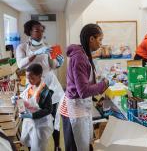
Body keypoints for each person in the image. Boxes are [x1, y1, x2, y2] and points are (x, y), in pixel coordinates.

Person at [60, 23, 111, 151]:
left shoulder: (83, 53)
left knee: (84, 143)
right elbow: (83, 91)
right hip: (74, 109)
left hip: (79, 106)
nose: (101, 44)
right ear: (91, 39)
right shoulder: (79, 58)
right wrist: (104, 84)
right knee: (76, 146)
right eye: (100, 40)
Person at [16, 20, 64, 151]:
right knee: (33, 119)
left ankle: (57, 146)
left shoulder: (48, 46)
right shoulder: (22, 47)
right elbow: (20, 64)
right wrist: (35, 53)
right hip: (33, 87)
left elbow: (53, 66)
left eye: (42, 30)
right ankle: (33, 146)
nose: (40, 33)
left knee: (54, 119)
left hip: (51, 86)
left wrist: (59, 62)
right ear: (29, 31)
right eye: (37, 30)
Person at [15, 63, 54, 151]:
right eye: (27, 77)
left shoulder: (45, 91)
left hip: (40, 125)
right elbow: (25, 101)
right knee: (29, 143)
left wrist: (32, 115)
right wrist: (17, 100)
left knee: (38, 147)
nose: (29, 80)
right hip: (29, 123)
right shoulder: (30, 86)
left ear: (39, 76)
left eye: (32, 78)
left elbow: (48, 109)